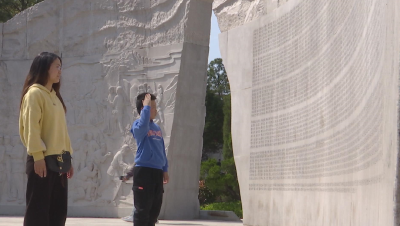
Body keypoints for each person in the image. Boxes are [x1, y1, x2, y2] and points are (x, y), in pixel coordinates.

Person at [19, 52, 74, 226]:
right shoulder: (34, 94)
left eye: (61, 67)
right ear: (44, 68)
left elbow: (62, 132)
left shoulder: (55, 97)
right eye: (56, 66)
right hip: (41, 162)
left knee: (57, 214)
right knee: (38, 214)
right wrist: (37, 156)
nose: (60, 71)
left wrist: (68, 158)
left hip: (59, 162)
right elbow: (31, 128)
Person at [122, 93, 169, 226]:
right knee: (142, 210)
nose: (156, 110)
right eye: (152, 107)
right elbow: (143, 126)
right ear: (144, 109)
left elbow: (161, 149)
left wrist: (165, 169)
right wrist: (146, 107)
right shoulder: (138, 125)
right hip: (144, 172)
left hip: (157, 172)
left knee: (154, 211)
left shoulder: (157, 128)